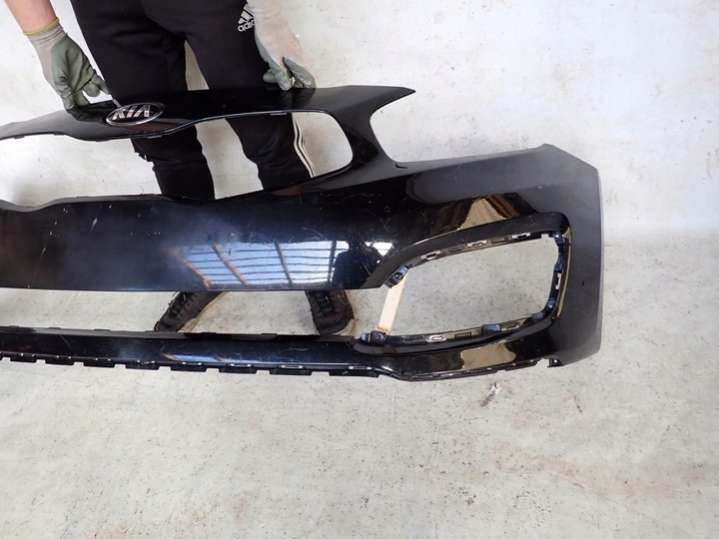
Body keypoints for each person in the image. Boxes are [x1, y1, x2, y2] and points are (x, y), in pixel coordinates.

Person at [5, 0, 354, 335]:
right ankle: (201, 267)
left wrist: (267, 10)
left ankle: (312, 261)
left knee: (265, 131)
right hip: (105, 10)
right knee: (162, 143)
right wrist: (45, 36)